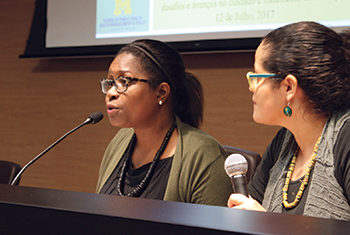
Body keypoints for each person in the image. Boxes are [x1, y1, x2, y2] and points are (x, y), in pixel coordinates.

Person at [227, 21, 350, 220]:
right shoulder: (284, 142)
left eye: (257, 77)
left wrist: (268, 225)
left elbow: (263, 223)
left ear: (288, 87)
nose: (252, 87)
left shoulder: (345, 140)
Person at [96, 39, 232, 206]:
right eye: (110, 82)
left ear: (161, 92)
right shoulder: (120, 141)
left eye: (124, 81)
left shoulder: (203, 155)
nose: (111, 92)